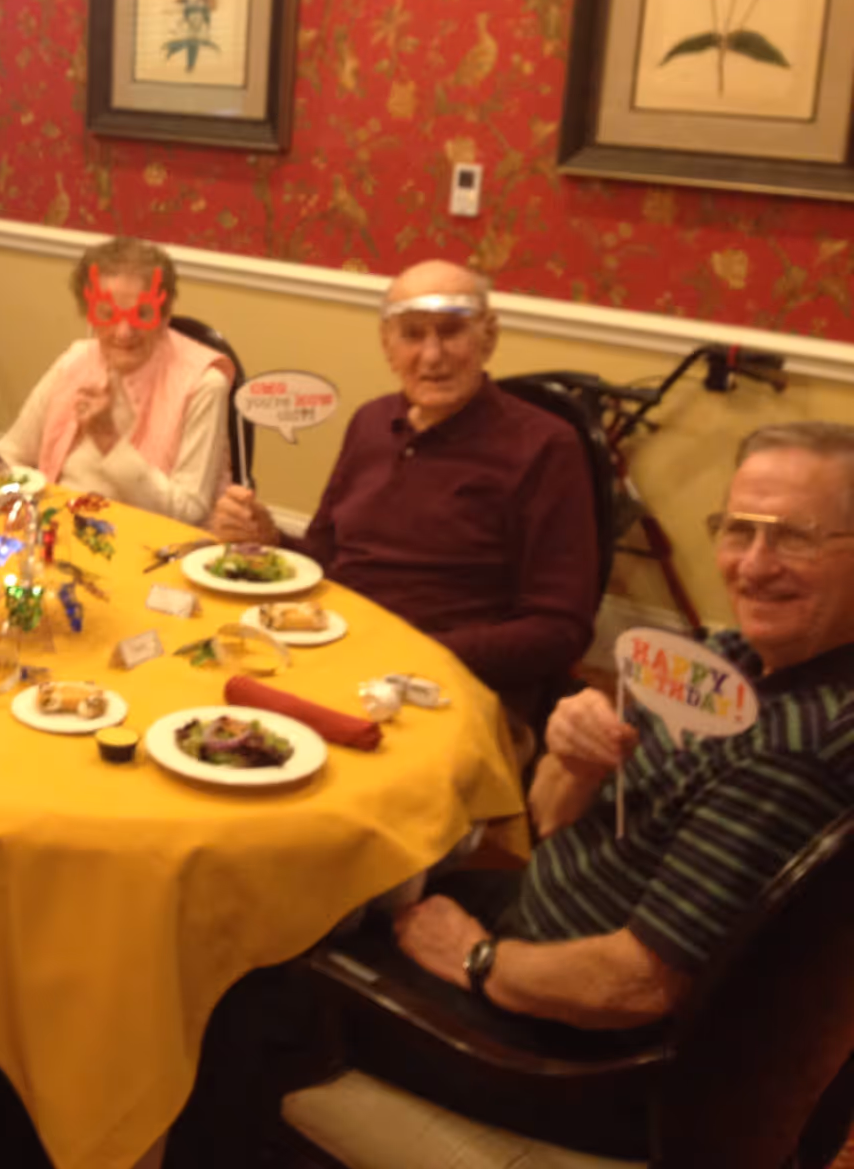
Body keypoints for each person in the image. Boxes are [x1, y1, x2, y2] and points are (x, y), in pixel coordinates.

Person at [166, 424, 854, 1166]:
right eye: (739, 530)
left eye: (797, 538)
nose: (753, 566)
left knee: (245, 991)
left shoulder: (798, 750)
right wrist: (576, 759)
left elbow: (637, 985)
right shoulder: (725, 661)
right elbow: (551, 820)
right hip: (541, 926)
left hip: (574, 1054)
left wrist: (476, 960)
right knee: (304, 899)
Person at [212, 259, 597, 740]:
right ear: (387, 345)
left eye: (452, 332)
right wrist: (268, 537)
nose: (432, 356)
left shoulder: (544, 446)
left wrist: (412, 651)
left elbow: (560, 629)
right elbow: (327, 559)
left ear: (489, 337)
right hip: (333, 653)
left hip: (451, 688)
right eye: (412, 335)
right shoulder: (370, 423)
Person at [0, 237, 232, 526]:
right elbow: (10, 454)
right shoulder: (76, 361)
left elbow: (188, 511)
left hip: (145, 545)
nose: (123, 332)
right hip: (53, 527)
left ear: (165, 314)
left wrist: (110, 441)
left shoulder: (204, 384)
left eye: (142, 314)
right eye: (108, 314)